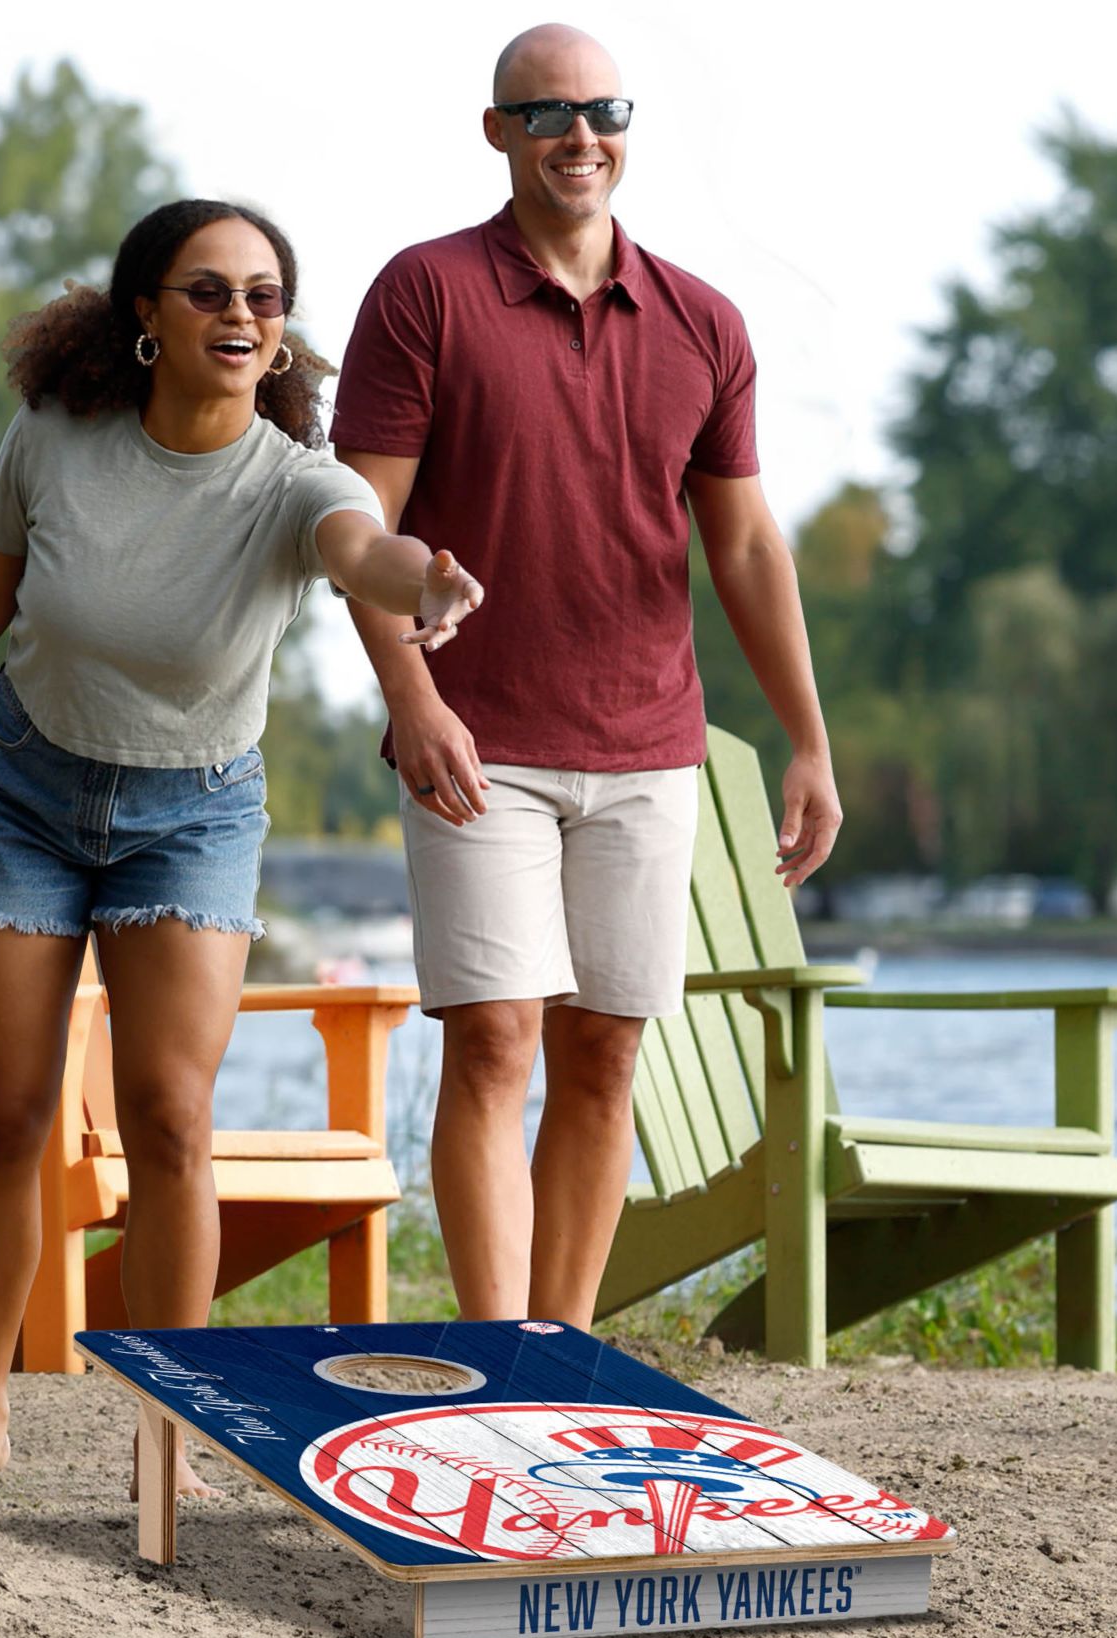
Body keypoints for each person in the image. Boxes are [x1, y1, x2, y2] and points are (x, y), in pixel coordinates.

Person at [0, 199, 484, 1496]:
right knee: (8, 1114)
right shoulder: (56, 439)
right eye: (208, 292)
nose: (239, 316)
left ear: (280, 338)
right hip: (18, 795)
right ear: (147, 318)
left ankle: (172, 1430)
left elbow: (360, 553)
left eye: (263, 298)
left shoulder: (295, 481)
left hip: (194, 814)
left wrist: (421, 586)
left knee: (171, 1118)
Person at [332, 25, 841, 1329]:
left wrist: (806, 741)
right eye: (547, 113)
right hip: (478, 739)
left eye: (602, 109)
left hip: (648, 744)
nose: (579, 135)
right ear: (496, 131)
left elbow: (742, 543)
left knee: (605, 1051)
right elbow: (356, 532)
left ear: (627, 126)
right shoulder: (424, 293)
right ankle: (498, 1350)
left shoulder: (703, 323)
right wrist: (414, 701)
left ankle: (562, 1352)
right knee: (496, 1039)